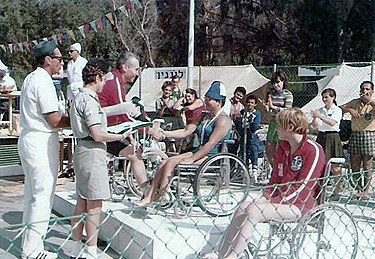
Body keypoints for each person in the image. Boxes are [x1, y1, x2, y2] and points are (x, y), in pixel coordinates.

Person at [203, 108, 325, 259]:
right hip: (281, 201)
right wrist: (266, 196)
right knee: (243, 206)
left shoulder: (313, 150)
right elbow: (275, 179)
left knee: (254, 210)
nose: (276, 128)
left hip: (301, 205)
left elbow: (304, 187)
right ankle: (222, 253)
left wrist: (272, 200)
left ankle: (234, 255)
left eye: (279, 125)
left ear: (290, 127)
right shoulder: (283, 147)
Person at [69, 59, 133, 259]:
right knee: (94, 204)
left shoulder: (79, 97)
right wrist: (120, 136)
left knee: (82, 200)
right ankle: (91, 250)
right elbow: (97, 133)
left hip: (82, 151)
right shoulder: (88, 100)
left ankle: (75, 246)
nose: (105, 83)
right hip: (92, 152)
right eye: (104, 79)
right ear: (97, 77)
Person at [137, 81, 232, 206]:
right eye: (206, 99)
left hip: (211, 157)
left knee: (171, 161)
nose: (206, 102)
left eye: (209, 100)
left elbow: (211, 144)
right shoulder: (205, 117)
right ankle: (149, 196)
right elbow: (186, 131)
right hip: (198, 151)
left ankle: (160, 196)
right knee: (162, 163)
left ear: (219, 102)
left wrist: (192, 159)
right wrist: (165, 133)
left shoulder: (223, 121)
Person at [18, 40, 70, 259]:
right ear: (48, 60)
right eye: (59, 59)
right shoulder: (43, 81)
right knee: (42, 196)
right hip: (40, 140)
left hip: (31, 139)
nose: (61, 63)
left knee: (32, 195)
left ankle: (28, 245)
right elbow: (55, 120)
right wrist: (79, 120)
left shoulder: (32, 77)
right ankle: (33, 251)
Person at [98, 52, 149, 193]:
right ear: (126, 67)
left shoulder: (115, 79)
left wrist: (131, 137)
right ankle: (147, 193)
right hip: (104, 131)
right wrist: (146, 129)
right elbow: (123, 113)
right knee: (136, 154)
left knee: (134, 153)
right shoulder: (114, 82)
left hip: (106, 128)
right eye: (136, 69)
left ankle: (146, 192)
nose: (138, 73)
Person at [341, 81, 375, 199]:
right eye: (363, 89)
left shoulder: (373, 104)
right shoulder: (355, 102)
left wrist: (370, 102)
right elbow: (340, 108)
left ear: (372, 91)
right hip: (355, 134)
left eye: (367, 89)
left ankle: (366, 190)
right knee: (354, 163)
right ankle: (358, 189)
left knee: (367, 164)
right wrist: (349, 110)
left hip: (369, 134)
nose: (364, 91)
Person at [311, 88, 343, 200]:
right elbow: (314, 126)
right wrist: (315, 117)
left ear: (333, 97)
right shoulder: (320, 110)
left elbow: (332, 123)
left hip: (333, 137)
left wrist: (320, 116)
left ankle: (337, 191)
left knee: (335, 167)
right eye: (323, 97)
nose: (325, 99)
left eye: (327, 97)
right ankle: (320, 190)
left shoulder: (337, 110)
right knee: (321, 165)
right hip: (322, 136)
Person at [258, 70, 293, 167]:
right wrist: (267, 108)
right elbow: (270, 111)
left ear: (283, 82)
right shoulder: (271, 94)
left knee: (281, 146)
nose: (276, 85)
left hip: (283, 123)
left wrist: (273, 107)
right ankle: (275, 168)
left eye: (278, 82)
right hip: (273, 122)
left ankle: (283, 169)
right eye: (274, 83)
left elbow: (287, 110)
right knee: (269, 146)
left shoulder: (288, 94)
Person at [234, 95, 262, 176]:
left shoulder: (256, 114)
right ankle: (243, 170)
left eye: (252, 103)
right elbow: (239, 124)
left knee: (253, 150)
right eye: (248, 102)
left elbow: (255, 126)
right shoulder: (243, 112)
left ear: (255, 104)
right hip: (243, 136)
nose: (250, 104)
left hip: (252, 137)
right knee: (243, 152)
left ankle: (254, 169)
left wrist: (251, 121)